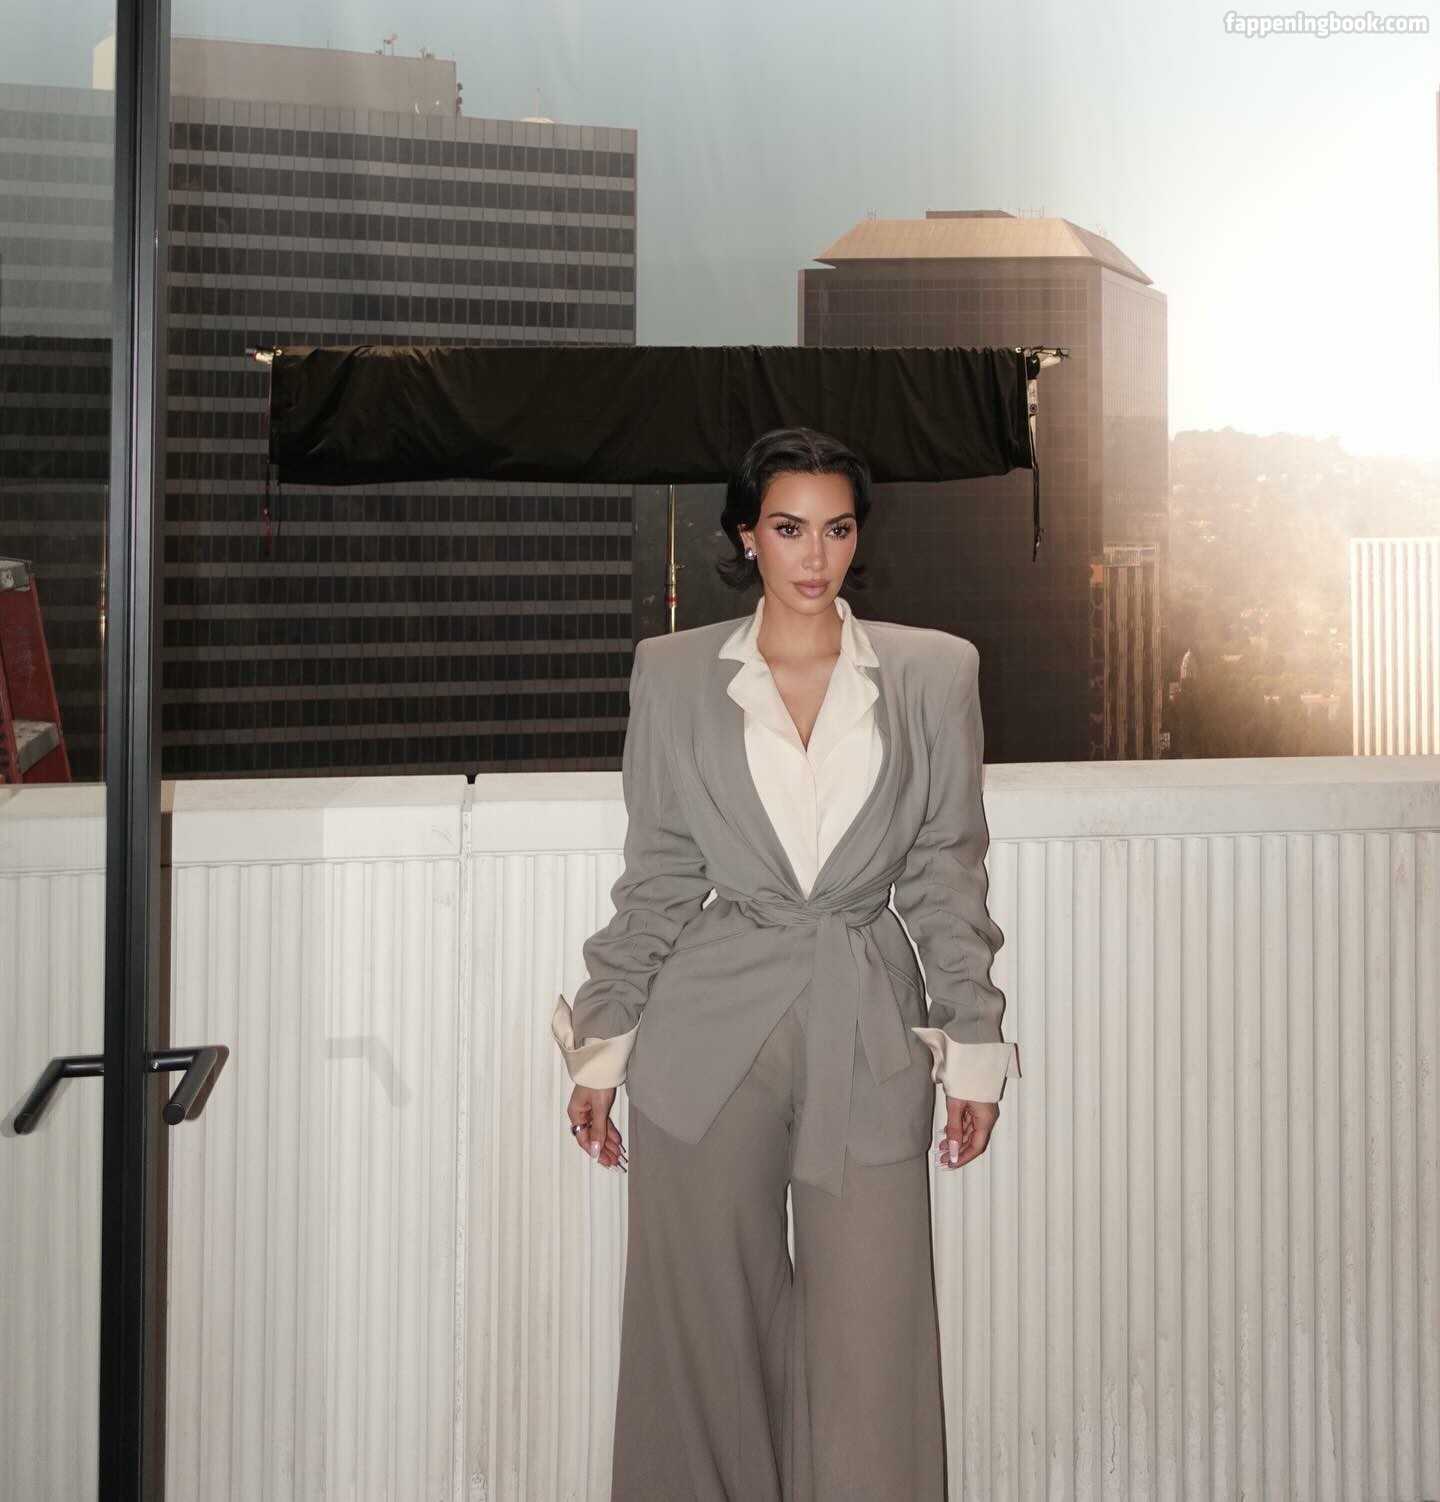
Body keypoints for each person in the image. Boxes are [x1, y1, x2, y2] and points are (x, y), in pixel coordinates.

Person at [550, 426, 1021, 1502]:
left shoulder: (933, 672)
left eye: (838, 529)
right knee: (700, 1348)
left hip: (868, 1022)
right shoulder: (674, 673)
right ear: (745, 536)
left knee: (873, 1348)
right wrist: (601, 1044)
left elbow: (946, 873)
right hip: (708, 1035)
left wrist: (974, 1051)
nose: (816, 555)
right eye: (790, 528)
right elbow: (659, 873)